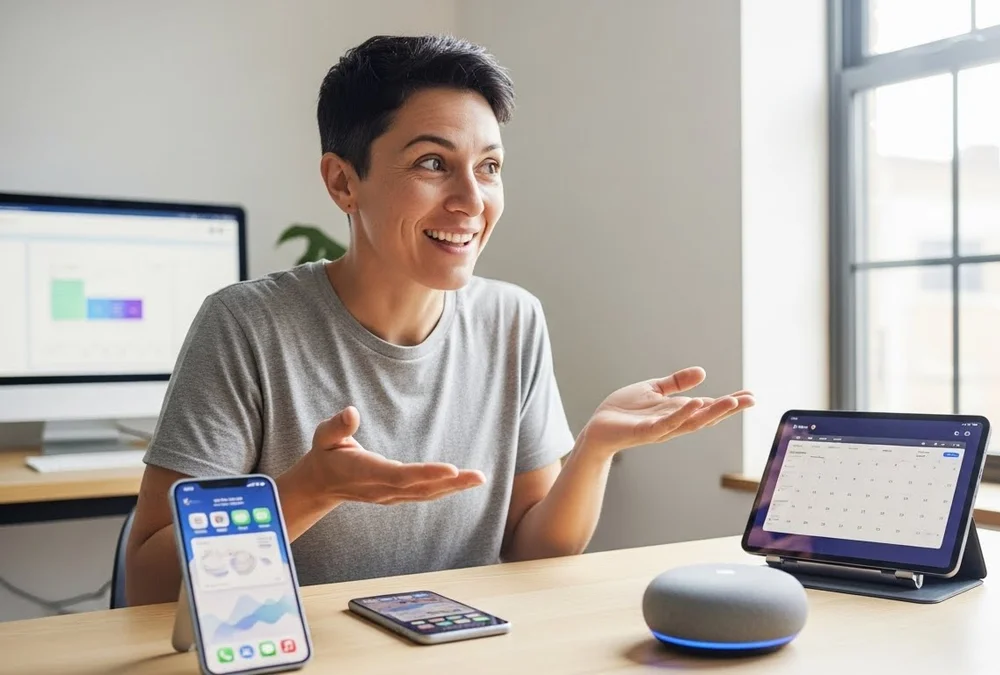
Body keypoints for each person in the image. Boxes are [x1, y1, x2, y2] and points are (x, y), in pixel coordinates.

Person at [124, 34, 754, 606]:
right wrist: (308, 491)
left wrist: (594, 449)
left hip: (454, 647)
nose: (472, 201)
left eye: (489, 167)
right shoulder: (246, 326)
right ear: (343, 183)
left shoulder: (512, 319)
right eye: (432, 163)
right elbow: (150, 583)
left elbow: (532, 548)